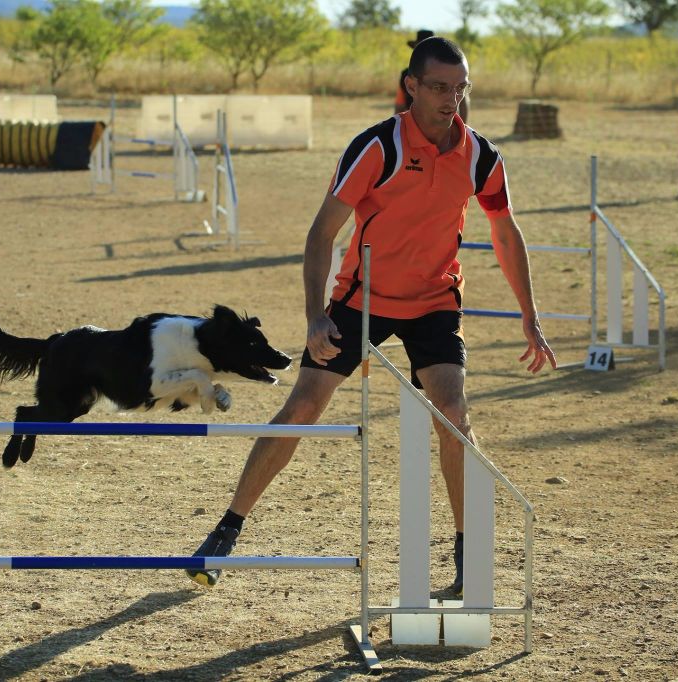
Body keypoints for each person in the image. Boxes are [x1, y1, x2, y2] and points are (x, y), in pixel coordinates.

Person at [187, 37, 556, 597]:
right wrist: (315, 317)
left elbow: (505, 231)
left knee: (453, 414)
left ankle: (467, 560)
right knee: (304, 405)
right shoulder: (377, 146)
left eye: (460, 88)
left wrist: (529, 314)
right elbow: (321, 233)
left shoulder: (482, 156)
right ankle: (227, 528)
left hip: (434, 301)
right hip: (363, 299)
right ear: (411, 86)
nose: (450, 99)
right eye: (438, 87)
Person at [397, 30, 469, 124]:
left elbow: (463, 102)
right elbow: (399, 104)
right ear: (411, 86)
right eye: (438, 88)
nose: (453, 101)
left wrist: (462, 126)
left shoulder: (453, 72)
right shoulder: (406, 75)